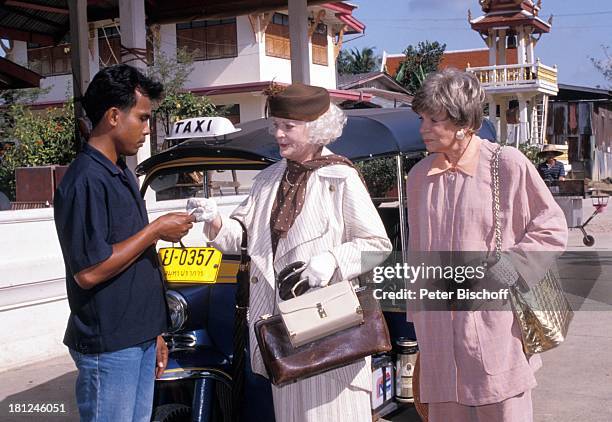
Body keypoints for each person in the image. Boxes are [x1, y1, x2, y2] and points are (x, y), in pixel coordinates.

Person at [188, 83, 392, 422]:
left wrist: (331, 261)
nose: (278, 134)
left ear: (315, 128)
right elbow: (241, 238)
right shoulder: (267, 180)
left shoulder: (340, 177)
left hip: (331, 335)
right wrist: (215, 220)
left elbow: (377, 245)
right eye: (276, 125)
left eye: (288, 126)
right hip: (283, 338)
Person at [405, 68, 568, 421]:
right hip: (437, 337)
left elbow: (551, 226)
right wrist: (417, 320)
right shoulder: (418, 177)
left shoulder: (506, 164)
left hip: (496, 326)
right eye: (421, 118)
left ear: (464, 122)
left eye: (434, 119)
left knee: (504, 411)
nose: (423, 129)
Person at [54, 64, 195, 422]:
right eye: (143, 118)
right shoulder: (86, 180)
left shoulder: (120, 172)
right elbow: (88, 271)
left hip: (139, 337)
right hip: (110, 345)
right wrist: (157, 229)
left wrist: (156, 332)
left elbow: (137, 260)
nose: (147, 130)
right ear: (114, 116)